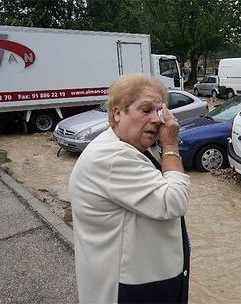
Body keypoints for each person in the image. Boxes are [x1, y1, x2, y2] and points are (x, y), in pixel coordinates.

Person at [69, 73, 191, 303]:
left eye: (159, 111)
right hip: (132, 288)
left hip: (144, 277)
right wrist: (171, 145)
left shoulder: (126, 146)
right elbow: (174, 202)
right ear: (117, 113)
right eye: (145, 110)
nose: (156, 120)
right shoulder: (113, 157)